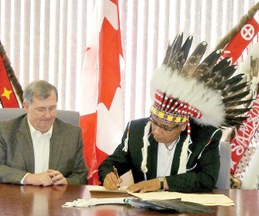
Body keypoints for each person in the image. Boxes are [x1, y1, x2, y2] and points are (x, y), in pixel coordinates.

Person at [99, 33, 252, 193]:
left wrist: (161, 183)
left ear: (183, 126)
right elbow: (109, 164)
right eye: (154, 122)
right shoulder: (137, 131)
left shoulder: (205, 136)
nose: (156, 131)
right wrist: (108, 174)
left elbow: (207, 179)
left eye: (165, 127)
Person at [0, 80, 88, 186]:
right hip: (16, 199)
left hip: (56, 200)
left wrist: (66, 181)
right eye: (41, 109)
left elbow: (81, 176)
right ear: (26, 106)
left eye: (52, 108)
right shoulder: (5, 131)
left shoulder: (72, 134)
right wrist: (28, 177)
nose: (47, 115)